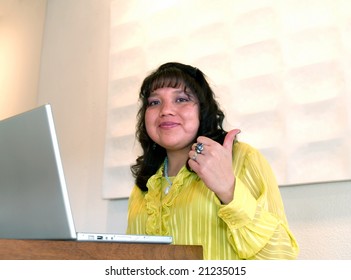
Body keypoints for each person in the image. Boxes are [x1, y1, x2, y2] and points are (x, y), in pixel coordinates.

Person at [126, 62, 299, 260]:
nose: (166, 110)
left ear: (203, 110)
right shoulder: (144, 184)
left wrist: (229, 189)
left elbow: (281, 257)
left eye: (181, 99)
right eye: (154, 102)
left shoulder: (242, 159)